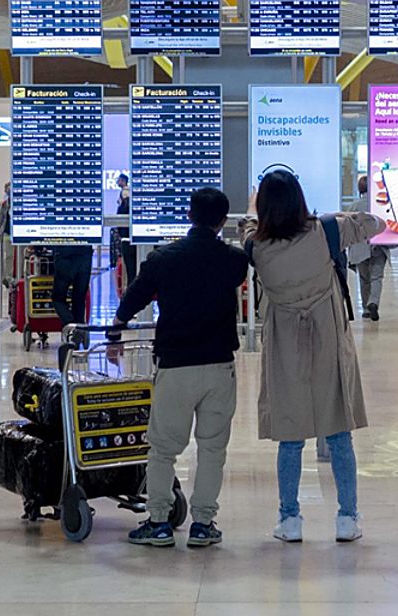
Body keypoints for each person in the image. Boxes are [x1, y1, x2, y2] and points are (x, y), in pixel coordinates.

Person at [239, 170, 385, 544]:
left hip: (285, 345)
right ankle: (347, 518)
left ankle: (290, 519)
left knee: (290, 438)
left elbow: (246, 228)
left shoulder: (256, 247)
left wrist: (256, 215)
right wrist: (333, 216)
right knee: (339, 434)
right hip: (328, 342)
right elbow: (375, 222)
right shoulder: (327, 232)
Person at [111, 187, 248, 548]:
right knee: (213, 448)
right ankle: (203, 523)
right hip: (219, 366)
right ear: (222, 221)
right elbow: (240, 267)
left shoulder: (163, 259)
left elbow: (134, 297)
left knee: (163, 448)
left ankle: (158, 521)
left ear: (188, 215)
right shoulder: (233, 262)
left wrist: (116, 327)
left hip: (176, 365)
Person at [344, 175, 388, 321]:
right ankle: (373, 302)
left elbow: (348, 228)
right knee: (377, 277)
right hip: (379, 246)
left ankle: (365, 309)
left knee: (364, 278)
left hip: (360, 246)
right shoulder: (380, 205)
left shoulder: (354, 207)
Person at [52, 244, 92, 326]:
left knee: (58, 298)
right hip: (85, 255)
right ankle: (79, 331)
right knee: (79, 299)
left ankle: (70, 324)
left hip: (65, 255)